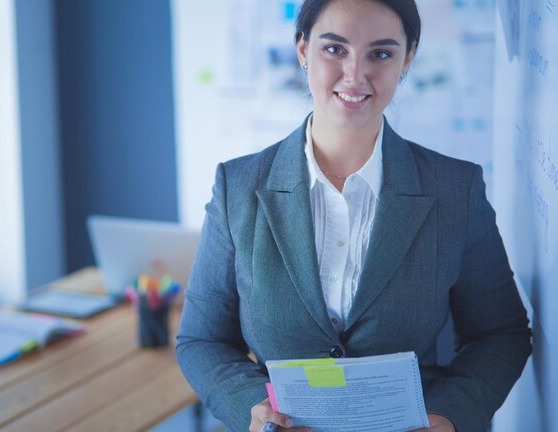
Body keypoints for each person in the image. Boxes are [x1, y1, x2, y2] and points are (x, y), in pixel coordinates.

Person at [176, 0, 532, 431]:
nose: (355, 74)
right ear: (303, 49)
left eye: (380, 53)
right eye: (334, 49)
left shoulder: (455, 189)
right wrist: (251, 407)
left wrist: (446, 417)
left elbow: (500, 333)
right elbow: (202, 340)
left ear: (408, 58)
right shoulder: (238, 187)